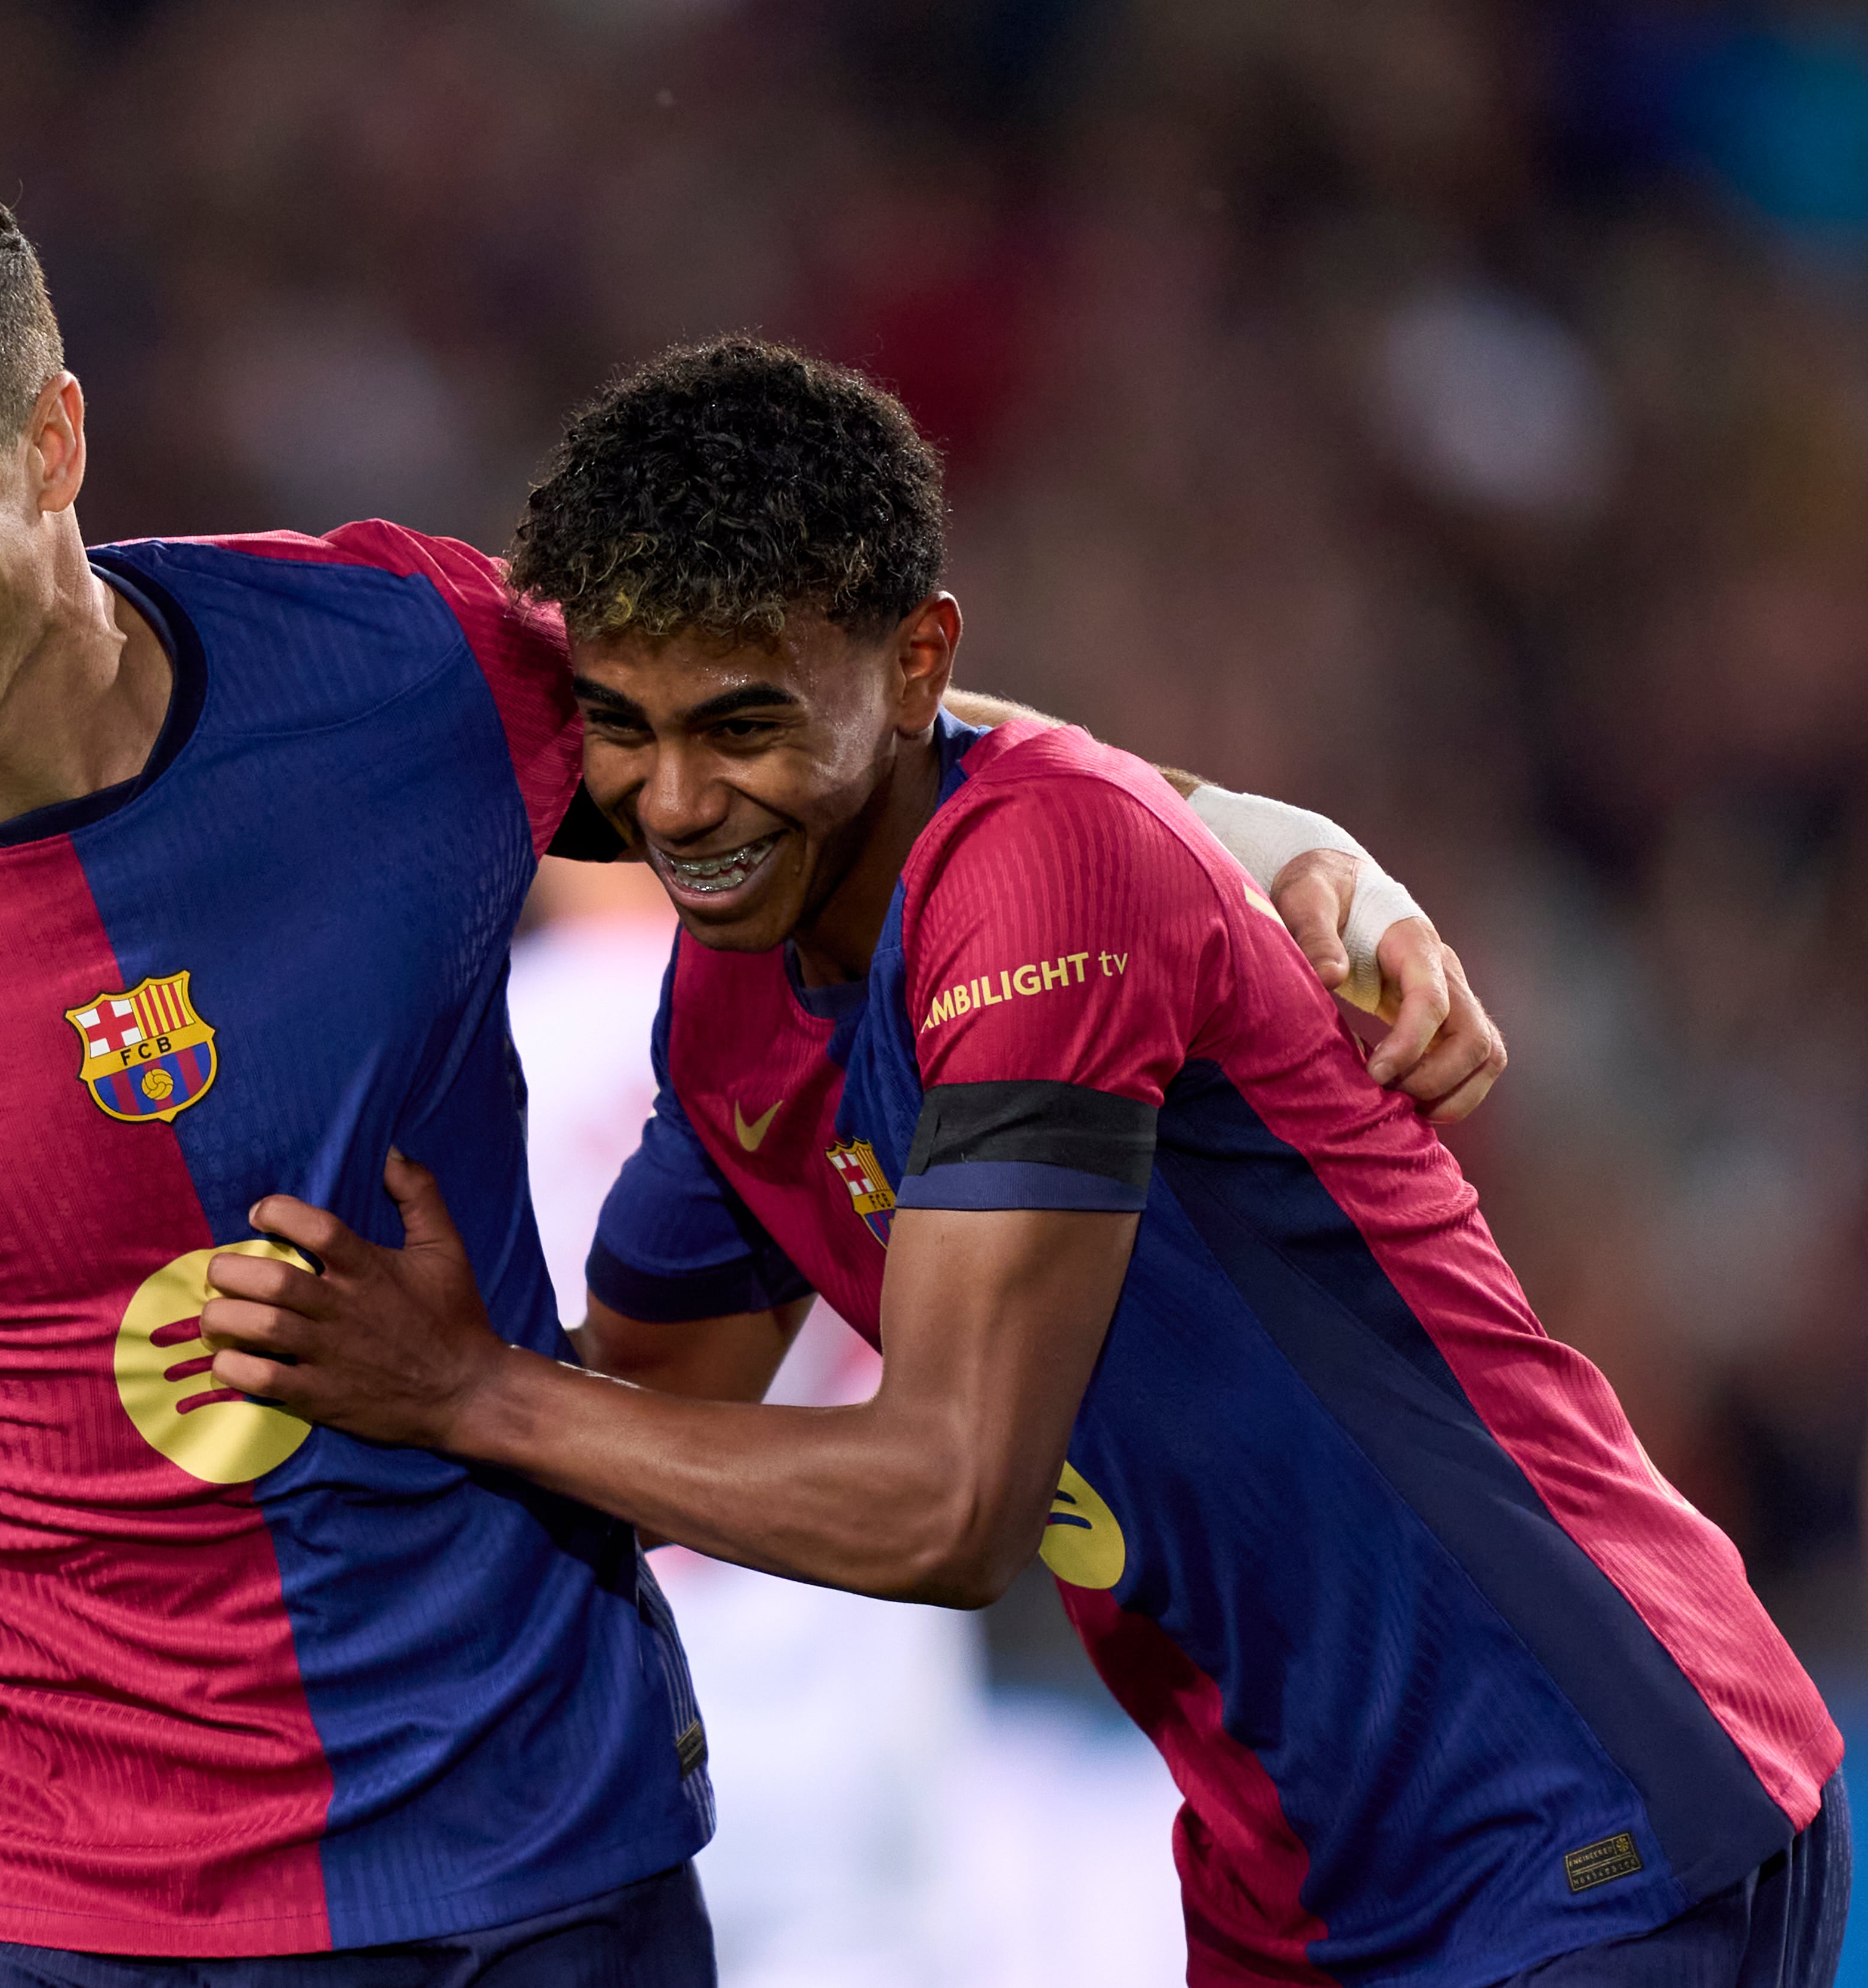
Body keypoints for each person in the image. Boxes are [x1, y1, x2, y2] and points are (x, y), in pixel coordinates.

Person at [0, 162, 1490, 1983]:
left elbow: (847, 755)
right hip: (29, 1905)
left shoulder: (398, 676)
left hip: (530, 1864)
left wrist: (1273, 847)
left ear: (45, 446)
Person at [202, 338, 1848, 1987]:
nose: (680, 804)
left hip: (1581, 1813)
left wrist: (472, 1390)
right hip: (1307, 1888)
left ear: (921, 666)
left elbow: (955, 1502)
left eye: (745, 723)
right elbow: (627, 1432)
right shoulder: (727, 1006)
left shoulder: (1043, 877)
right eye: (626, 730)